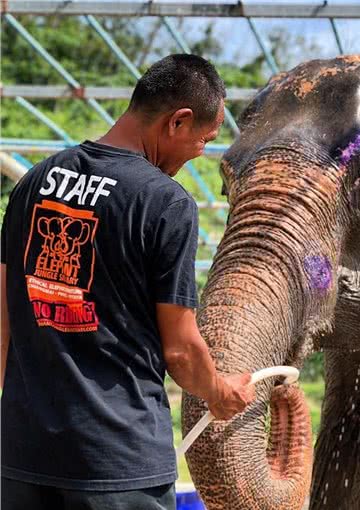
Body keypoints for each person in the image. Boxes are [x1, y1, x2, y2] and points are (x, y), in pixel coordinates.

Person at [0, 54, 256, 509]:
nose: (201, 153)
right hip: (117, 465)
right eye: (205, 139)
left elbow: (4, 318)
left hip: (22, 458)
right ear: (178, 122)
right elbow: (179, 349)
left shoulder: (33, 184)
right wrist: (219, 390)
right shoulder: (166, 204)